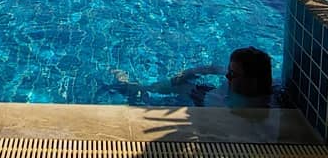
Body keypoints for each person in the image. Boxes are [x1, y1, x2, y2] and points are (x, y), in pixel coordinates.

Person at [107, 47, 272, 108]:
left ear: (252, 79)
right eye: (229, 70)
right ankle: (137, 87)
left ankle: (133, 89)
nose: (227, 75)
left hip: (203, 100)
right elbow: (214, 69)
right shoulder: (250, 80)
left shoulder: (244, 106)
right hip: (208, 93)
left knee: (154, 98)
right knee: (179, 82)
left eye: (233, 74)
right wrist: (190, 72)